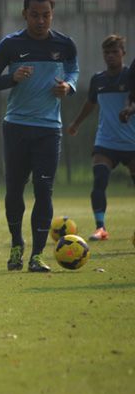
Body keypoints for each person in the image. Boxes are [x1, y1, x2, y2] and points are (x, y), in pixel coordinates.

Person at [0, 0, 79, 273]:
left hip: (49, 129)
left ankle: (37, 255)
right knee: (14, 190)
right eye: (35, 15)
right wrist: (12, 78)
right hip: (17, 127)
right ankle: (16, 245)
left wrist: (69, 86)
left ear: (52, 15)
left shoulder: (65, 45)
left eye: (46, 15)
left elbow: (73, 71)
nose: (40, 21)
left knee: (44, 190)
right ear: (25, 14)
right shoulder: (10, 45)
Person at [66, 35, 135, 241]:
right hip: (106, 141)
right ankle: (100, 227)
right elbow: (90, 103)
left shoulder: (130, 77)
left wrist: (130, 110)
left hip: (131, 141)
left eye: (115, 52)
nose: (111, 56)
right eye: (107, 52)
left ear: (123, 53)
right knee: (99, 180)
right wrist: (76, 123)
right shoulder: (98, 79)